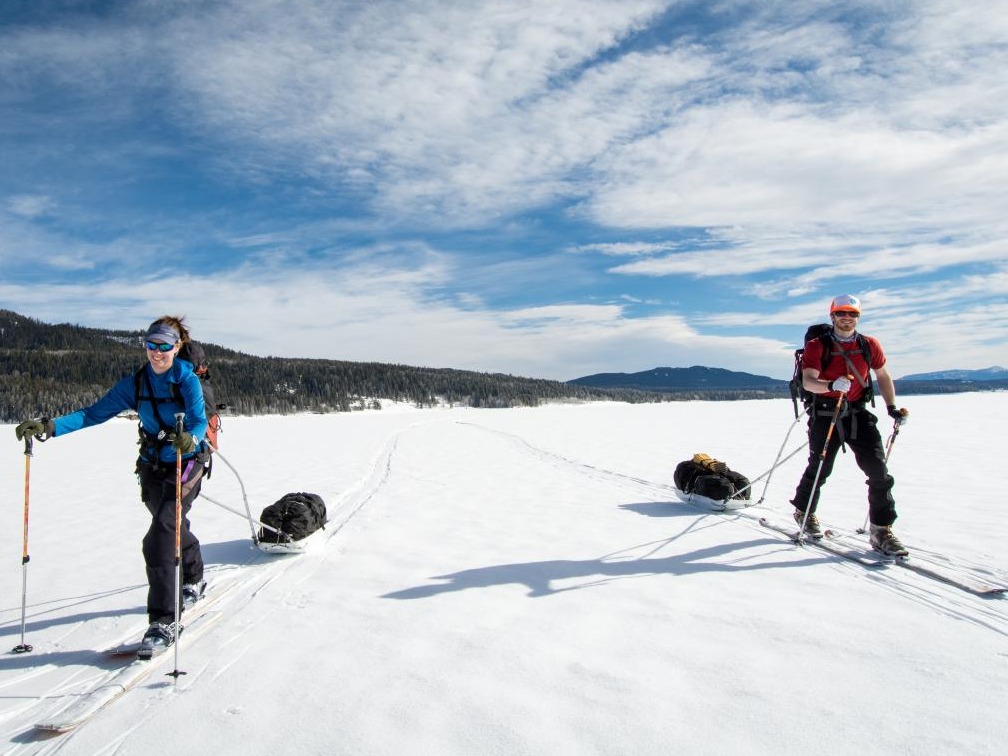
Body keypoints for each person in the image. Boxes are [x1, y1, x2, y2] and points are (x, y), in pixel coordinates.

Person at [15, 316, 210, 650]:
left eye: (164, 345)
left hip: (186, 463)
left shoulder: (186, 380)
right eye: (151, 345)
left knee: (160, 534)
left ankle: (163, 623)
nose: (156, 352)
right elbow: (93, 413)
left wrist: (190, 440)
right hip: (151, 466)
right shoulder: (136, 384)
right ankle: (194, 577)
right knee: (171, 524)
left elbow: (198, 421)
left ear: (177, 347)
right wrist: (50, 427)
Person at [790, 294, 910, 556]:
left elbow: (883, 375)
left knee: (879, 472)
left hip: (857, 413)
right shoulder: (817, 345)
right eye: (842, 313)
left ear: (858, 317)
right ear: (832, 316)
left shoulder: (869, 344)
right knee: (820, 468)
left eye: (853, 314)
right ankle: (804, 511)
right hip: (825, 413)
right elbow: (808, 380)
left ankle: (881, 530)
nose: (847, 318)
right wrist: (830, 386)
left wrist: (891, 407)